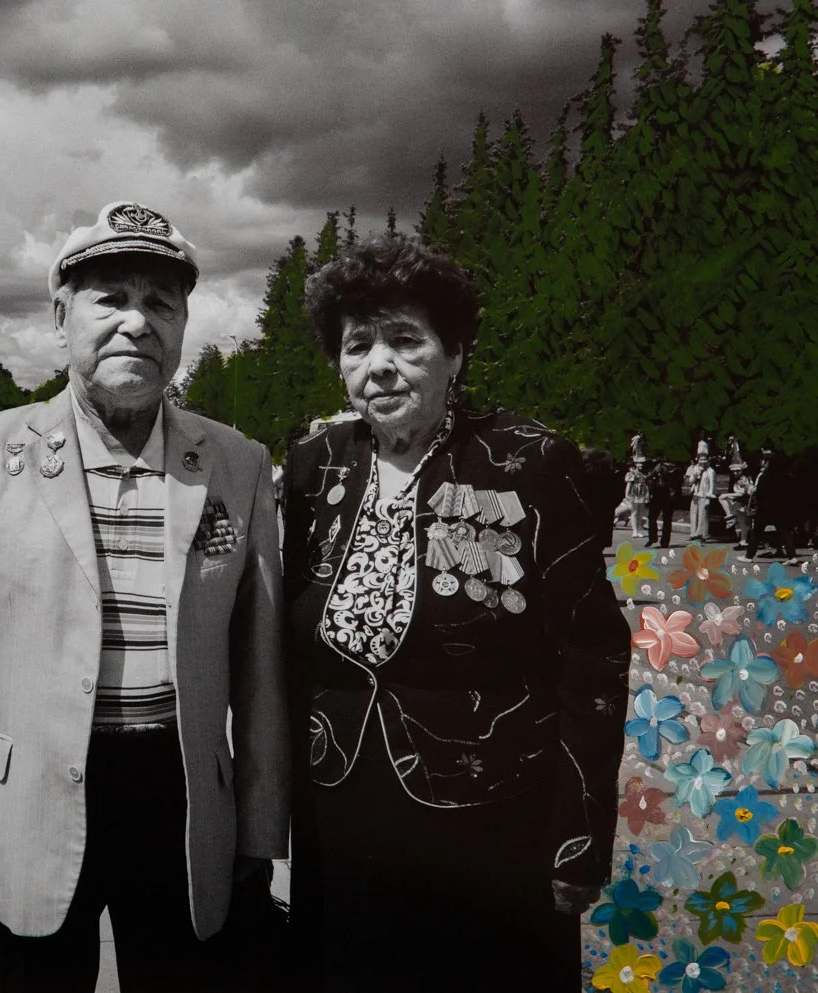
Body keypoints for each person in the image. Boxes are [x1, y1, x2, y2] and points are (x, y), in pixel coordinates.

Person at [0, 201, 288, 993]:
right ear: (60, 314)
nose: (136, 322)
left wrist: (260, 822)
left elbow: (260, 670)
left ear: (182, 323)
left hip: (182, 801)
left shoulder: (238, 464)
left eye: (160, 302)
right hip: (31, 799)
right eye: (111, 297)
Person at [284, 236, 630, 991]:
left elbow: (593, 653)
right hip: (340, 810)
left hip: (489, 821)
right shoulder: (318, 464)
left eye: (406, 341)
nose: (378, 365)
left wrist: (580, 833)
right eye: (357, 345)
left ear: (456, 355)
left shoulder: (531, 462)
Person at [742, 448, 798, 562]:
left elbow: (759, 492)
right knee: (784, 531)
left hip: (765, 508)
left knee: (757, 531)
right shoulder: (785, 476)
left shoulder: (765, 476)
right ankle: (792, 556)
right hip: (780, 508)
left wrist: (750, 489)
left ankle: (748, 556)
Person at [646, 457, 680, 548]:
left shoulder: (660, 466)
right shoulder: (678, 469)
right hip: (671, 496)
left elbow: (649, 477)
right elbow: (680, 483)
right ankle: (665, 542)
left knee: (652, 517)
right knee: (667, 519)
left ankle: (652, 537)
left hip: (658, 494)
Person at [718, 461, 755, 545]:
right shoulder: (738, 479)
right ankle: (743, 540)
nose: (735, 472)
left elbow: (743, 493)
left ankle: (731, 517)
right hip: (740, 501)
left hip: (745, 502)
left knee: (744, 522)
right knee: (743, 522)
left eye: (738, 471)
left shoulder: (743, 479)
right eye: (734, 471)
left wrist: (727, 495)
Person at [687, 454, 715, 539]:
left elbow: (712, 485)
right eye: (701, 459)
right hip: (695, 494)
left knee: (702, 515)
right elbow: (690, 482)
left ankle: (701, 534)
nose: (703, 461)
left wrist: (709, 497)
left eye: (704, 459)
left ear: (708, 460)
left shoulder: (710, 471)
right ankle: (693, 533)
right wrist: (696, 474)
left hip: (704, 495)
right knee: (693, 514)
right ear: (698, 460)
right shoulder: (695, 468)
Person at [624, 456, 651, 538]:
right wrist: (626, 495)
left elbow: (647, 484)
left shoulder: (645, 473)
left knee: (641, 512)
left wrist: (648, 494)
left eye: (642, 463)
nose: (641, 465)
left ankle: (639, 529)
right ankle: (634, 530)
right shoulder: (632, 473)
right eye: (639, 463)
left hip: (643, 493)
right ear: (635, 464)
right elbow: (629, 485)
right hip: (634, 494)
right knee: (634, 512)